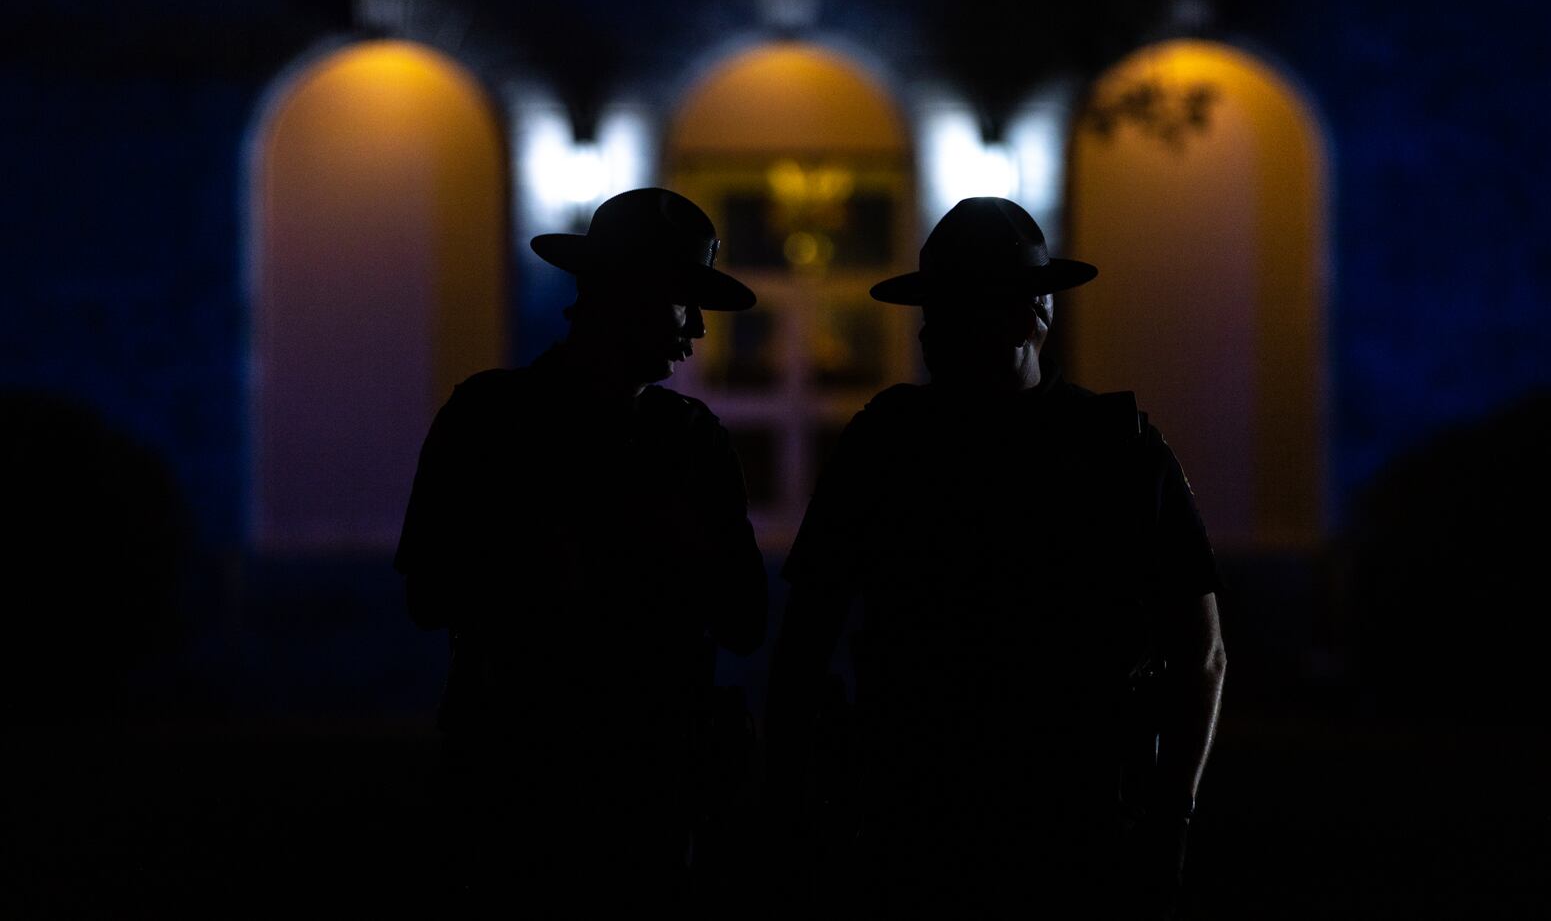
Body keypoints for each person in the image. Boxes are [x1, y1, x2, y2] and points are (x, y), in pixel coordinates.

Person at [765, 197, 1226, 919]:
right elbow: (804, 638)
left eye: (961, 308)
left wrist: (1172, 815)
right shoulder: (887, 441)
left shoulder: (1118, 446)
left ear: (1032, 314)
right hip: (917, 811)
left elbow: (1201, 651)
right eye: (936, 310)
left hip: (1069, 810)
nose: (932, 332)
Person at [394, 187, 769, 910]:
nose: (695, 326)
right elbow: (430, 591)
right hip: (520, 778)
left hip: (650, 784)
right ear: (622, 294)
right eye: (680, 299)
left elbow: (746, 616)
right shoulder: (490, 419)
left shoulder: (691, 439)